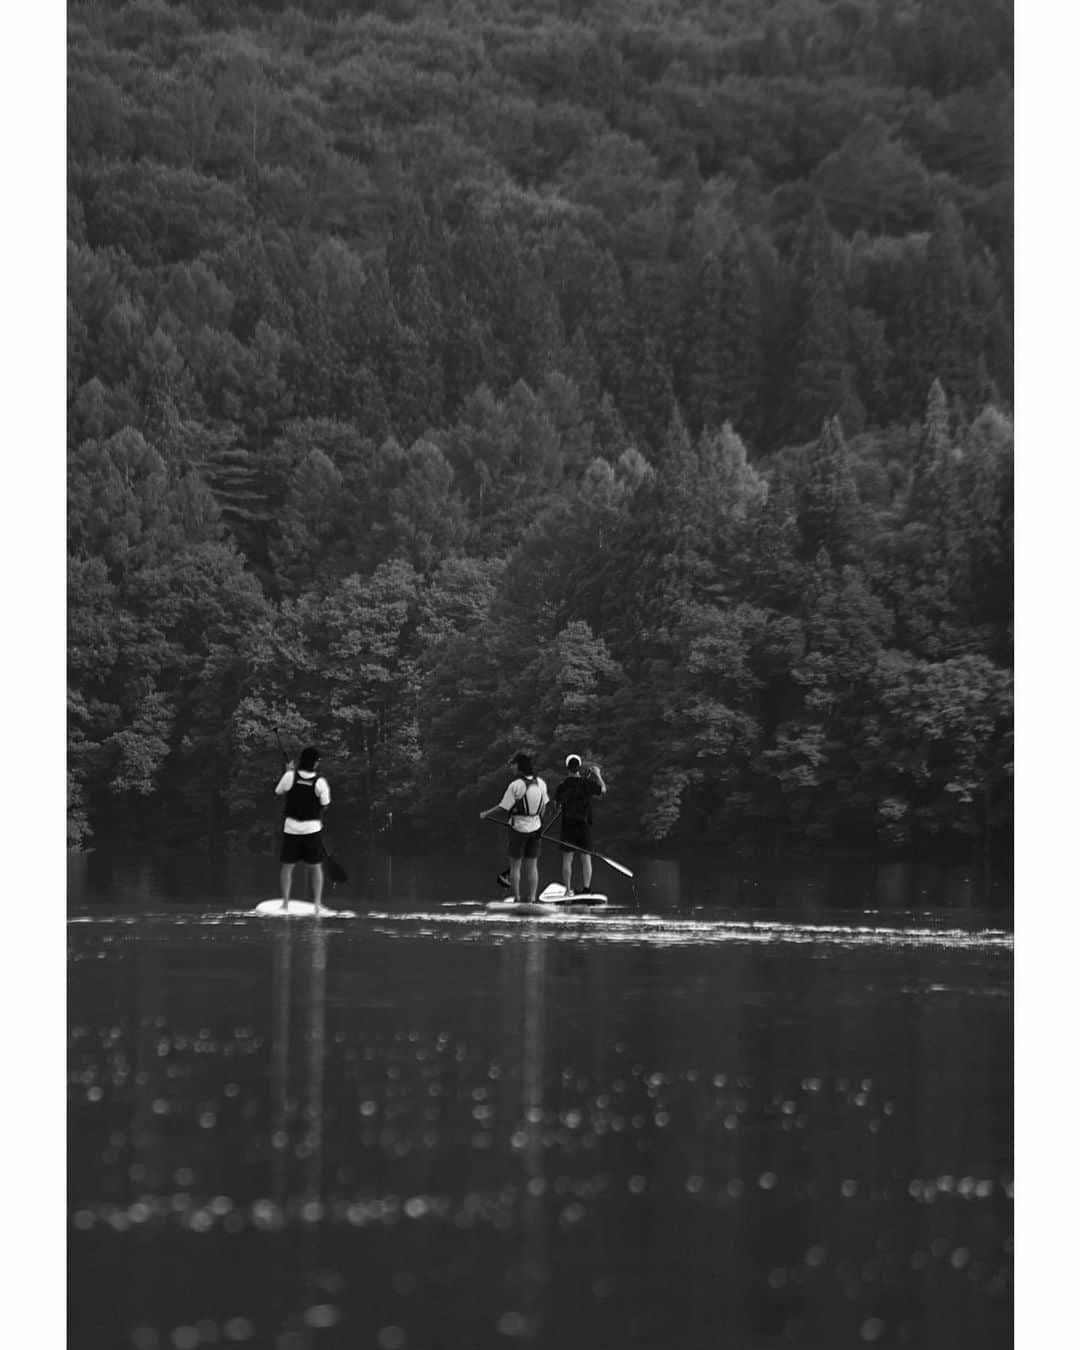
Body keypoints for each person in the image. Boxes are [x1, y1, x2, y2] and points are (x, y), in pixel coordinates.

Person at [480, 752, 549, 903]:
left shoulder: (515, 786)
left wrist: (486, 813)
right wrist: (539, 826)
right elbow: (543, 807)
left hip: (517, 829)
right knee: (532, 866)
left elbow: (503, 807)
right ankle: (532, 899)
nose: (511, 767)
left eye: (513, 764)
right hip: (536, 828)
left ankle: (517, 899)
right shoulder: (541, 784)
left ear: (519, 766)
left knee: (515, 866)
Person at [274, 746, 331, 910]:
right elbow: (325, 804)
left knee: (287, 867)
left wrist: (287, 772)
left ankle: (285, 903)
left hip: (291, 828)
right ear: (314, 763)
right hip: (312, 829)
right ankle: (317, 905)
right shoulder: (320, 782)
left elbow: (278, 791)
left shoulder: (289, 776)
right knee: (315, 867)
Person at [554, 754, 606, 895]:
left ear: (567, 768)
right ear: (579, 767)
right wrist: (598, 774)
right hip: (583, 824)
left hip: (568, 825)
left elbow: (556, 807)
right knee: (586, 858)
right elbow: (603, 791)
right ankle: (586, 888)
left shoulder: (562, 786)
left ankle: (567, 890)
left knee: (567, 859)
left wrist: (562, 806)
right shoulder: (587, 783)